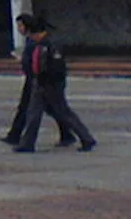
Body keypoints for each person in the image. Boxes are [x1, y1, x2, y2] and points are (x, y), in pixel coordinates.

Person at [14, 16, 97, 153]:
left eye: (22, 27)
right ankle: (27, 143)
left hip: (50, 84)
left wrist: (48, 81)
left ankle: (86, 138)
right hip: (39, 82)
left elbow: (57, 68)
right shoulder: (37, 44)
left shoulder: (50, 44)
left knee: (64, 112)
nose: (20, 30)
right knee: (33, 114)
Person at [1, 14, 73, 148]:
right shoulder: (32, 40)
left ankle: (73, 134)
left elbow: (39, 62)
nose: (19, 29)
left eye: (20, 25)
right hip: (36, 79)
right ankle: (16, 136)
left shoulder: (37, 41)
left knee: (45, 110)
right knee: (43, 109)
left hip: (40, 80)